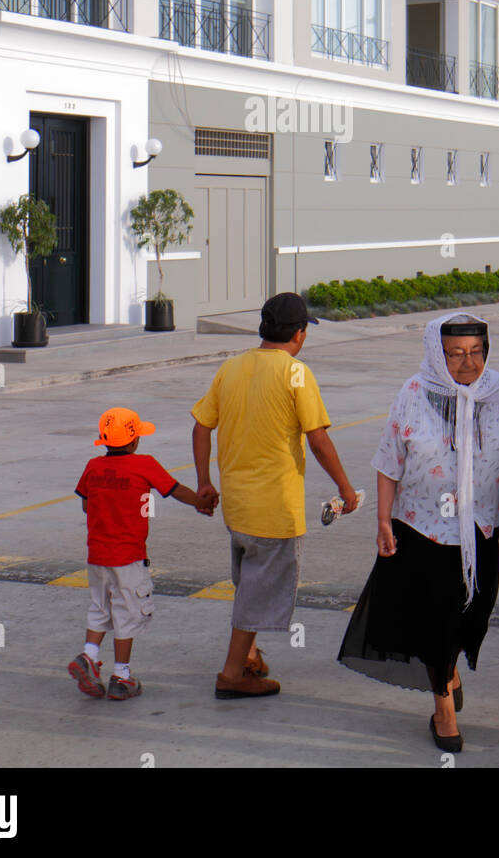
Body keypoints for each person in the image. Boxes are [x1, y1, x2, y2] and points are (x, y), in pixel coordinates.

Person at [338, 312, 499, 753]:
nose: (468, 363)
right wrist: (382, 522)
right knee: (437, 621)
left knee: (475, 614)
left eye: (476, 352)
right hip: (423, 531)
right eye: (455, 354)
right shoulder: (413, 394)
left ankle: (449, 669)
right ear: (436, 353)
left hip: (482, 529)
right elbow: (389, 461)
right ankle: (443, 709)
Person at [191, 291, 359, 700]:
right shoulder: (296, 373)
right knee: (258, 592)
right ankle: (232, 674)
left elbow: (200, 427)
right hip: (275, 510)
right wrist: (345, 488)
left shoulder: (230, 367)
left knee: (249, 582)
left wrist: (203, 483)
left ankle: (248, 655)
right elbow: (317, 440)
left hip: (237, 506)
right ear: (299, 334)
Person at [68, 405, 217, 701]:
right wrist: (203, 502)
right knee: (127, 612)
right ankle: (121, 677)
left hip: (96, 556)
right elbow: (175, 489)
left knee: (100, 608)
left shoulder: (93, 467)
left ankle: (89, 656)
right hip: (128, 556)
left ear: (104, 441)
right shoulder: (144, 464)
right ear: (135, 441)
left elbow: (86, 504)